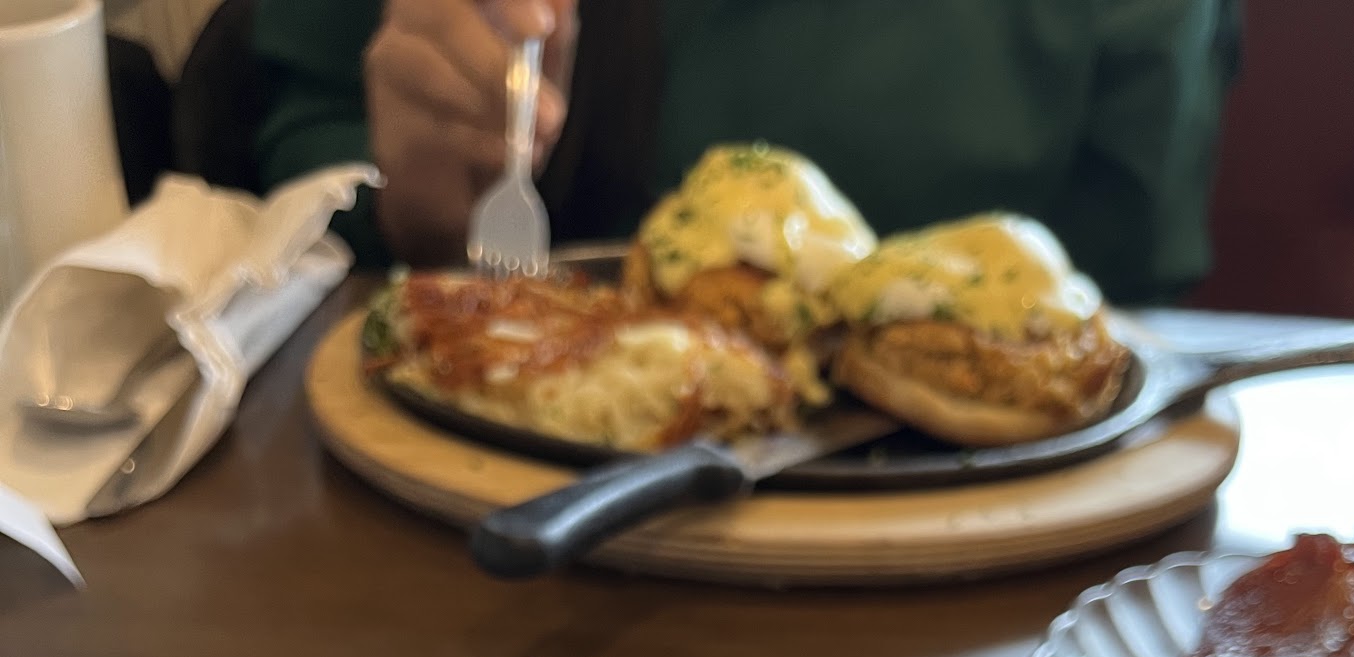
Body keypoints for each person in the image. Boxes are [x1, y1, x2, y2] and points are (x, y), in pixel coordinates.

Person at [252, 0, 1240, 305]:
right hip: (453, 525)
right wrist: (408, 210)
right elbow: (296, 146)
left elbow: (1131, 297)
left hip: (977, 579)